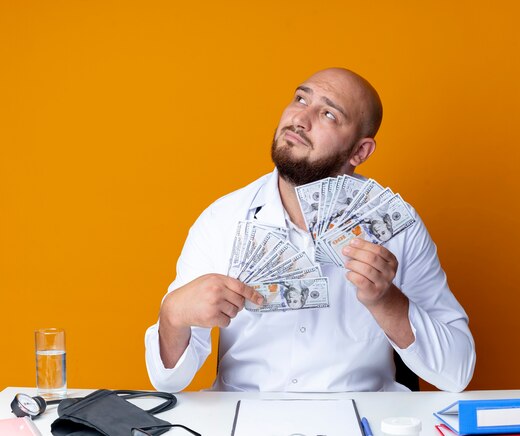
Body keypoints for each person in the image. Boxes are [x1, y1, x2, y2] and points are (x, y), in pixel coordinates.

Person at [145, 67, 476, 393]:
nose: (301, 119)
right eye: (301, 99)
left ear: (360, 151)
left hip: (361, 420)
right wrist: (173, 315)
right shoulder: (222, 220)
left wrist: (385, 300)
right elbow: (169, 382)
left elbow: (456, 373)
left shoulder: (397, 228)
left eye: (329, 114)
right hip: (247, 420)